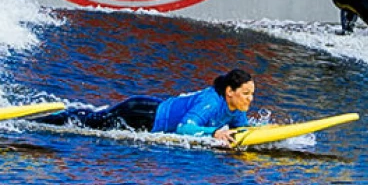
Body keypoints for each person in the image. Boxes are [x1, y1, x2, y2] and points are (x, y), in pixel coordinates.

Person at [39, 69, 255, 144]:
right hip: (140, 114)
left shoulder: (236, 108)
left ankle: (59, 114)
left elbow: (242, 129)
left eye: (252, 94)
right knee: (86, 122)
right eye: (245, 94)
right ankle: (38, 120)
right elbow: (184, 129)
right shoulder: (211, 102)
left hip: (150, 110)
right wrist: (214, 132)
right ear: (230, 91)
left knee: (93, 118)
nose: (249, 99)